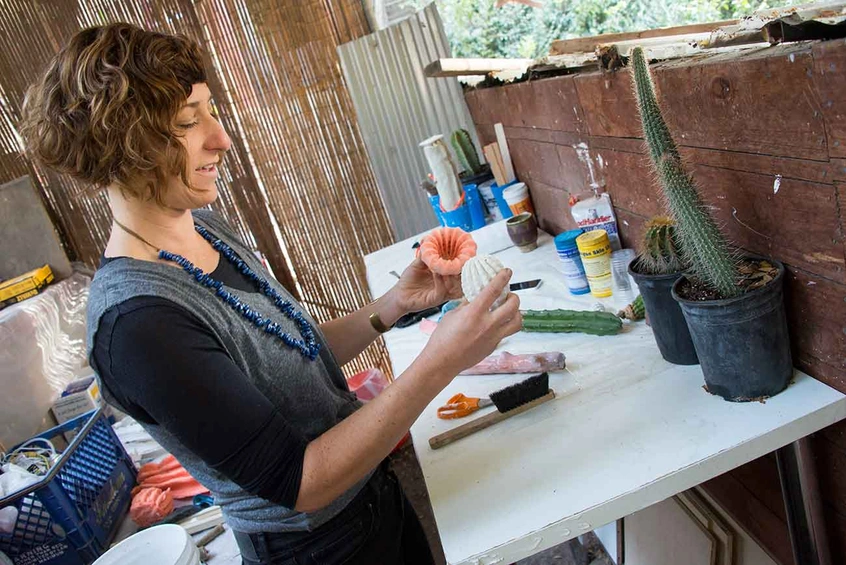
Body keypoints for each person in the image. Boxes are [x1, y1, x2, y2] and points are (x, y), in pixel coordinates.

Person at [21, 23, 521, 565]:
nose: (221, 138)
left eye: (210, 109)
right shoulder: (138, 325)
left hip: (374, 496)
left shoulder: (204, 227)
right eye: (189, 122)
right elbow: (298, 481)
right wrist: (440, 362)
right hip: (319, 548)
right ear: (123, 151)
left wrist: (391, 308)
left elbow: (286, 356)